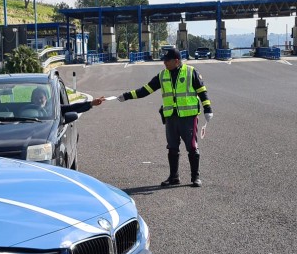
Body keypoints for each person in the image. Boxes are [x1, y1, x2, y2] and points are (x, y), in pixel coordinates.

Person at [115, 48, 212, 187]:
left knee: (191, 147)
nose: (164, 62)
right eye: (164, 60)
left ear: (176, 61)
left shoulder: (191, 72)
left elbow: (202, 91)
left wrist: (207, 108)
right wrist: (127, 95)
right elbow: (146, 90)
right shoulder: (162, 75)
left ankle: (195, 177)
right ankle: (174, 177)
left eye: (167, 60)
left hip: (188, 117)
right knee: (172, 148)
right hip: (170, 117)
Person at [28, 86, 104, 117]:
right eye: (36, 98)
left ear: (46, 98)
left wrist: (91, 104)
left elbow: (74, 107)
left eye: (41, 97)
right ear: (32, 99)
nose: (39, 100)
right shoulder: (26, 110)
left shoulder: (55, 108)